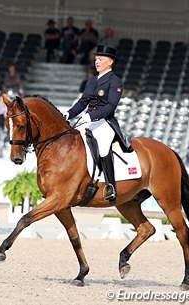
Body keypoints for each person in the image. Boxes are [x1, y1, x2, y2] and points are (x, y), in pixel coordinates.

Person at [63, 45, 131, 201]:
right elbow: (82, 102)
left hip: (105, 122)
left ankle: (110, 185)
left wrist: (91, 117)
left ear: (110, 62)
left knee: (103, 147)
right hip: (88, 120)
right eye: (96, 59)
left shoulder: (115, 82)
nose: (97, 62)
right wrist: (69, 113)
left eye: (100, 59)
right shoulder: (92, 81)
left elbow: (110, 106)